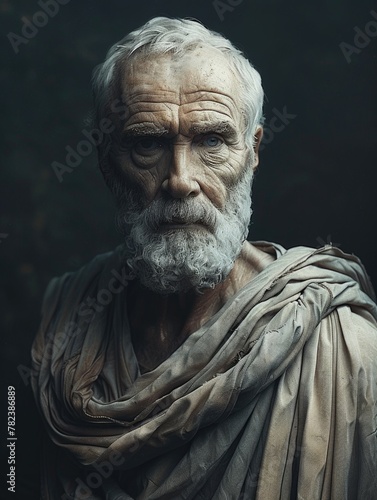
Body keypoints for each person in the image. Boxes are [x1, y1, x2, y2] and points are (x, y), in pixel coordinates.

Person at [31, 17, 377, 499]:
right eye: (147, 143)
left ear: (253, 151)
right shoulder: (59, 328)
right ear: (105, 158)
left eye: (211, 140)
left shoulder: (348, 352)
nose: (180, 179)